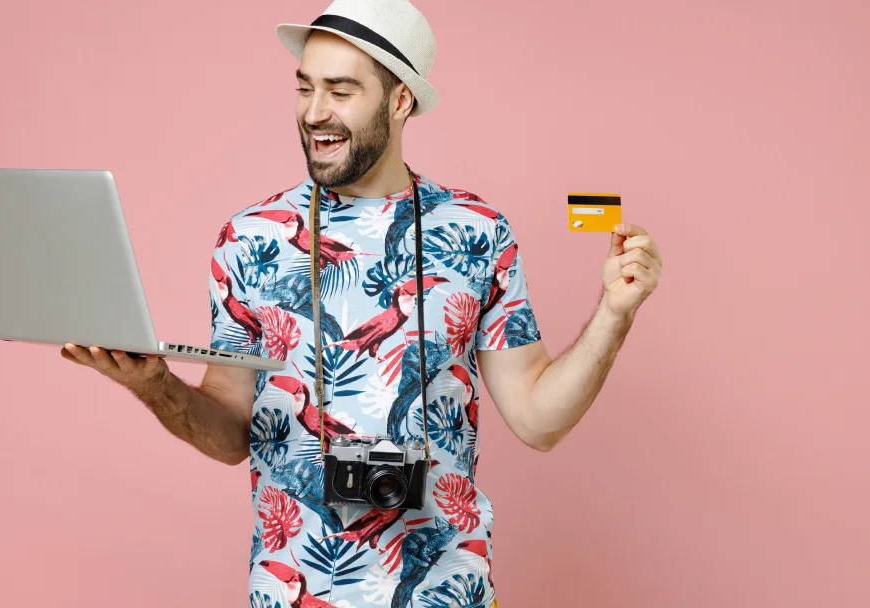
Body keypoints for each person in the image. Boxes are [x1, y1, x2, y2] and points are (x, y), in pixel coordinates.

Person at [60, 0, 663, 606]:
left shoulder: (478, 232)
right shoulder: (250, 239)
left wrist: (613, 315)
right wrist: (154, 385)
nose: (314, 112)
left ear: (400, 100)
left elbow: (540, 420)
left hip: (449, 591)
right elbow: (229, 433)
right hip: (292, 593)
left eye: (341, 90)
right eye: (305, 87)